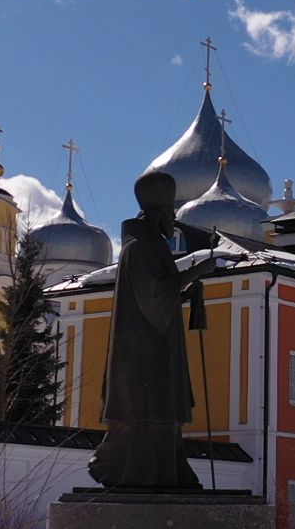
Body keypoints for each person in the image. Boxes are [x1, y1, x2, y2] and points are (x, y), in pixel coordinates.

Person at [87, 171, 218, 489]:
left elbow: (159, 296)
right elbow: (153, 295)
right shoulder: (139, 247)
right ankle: (112, 467)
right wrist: (195, 271)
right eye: (172, 212)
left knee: (162, 418)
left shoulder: (152, 246)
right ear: (159, 212)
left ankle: (167, 474)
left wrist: (188, 291)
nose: (174, 220)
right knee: (145, 416)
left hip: (155, 352)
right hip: (142, 359)